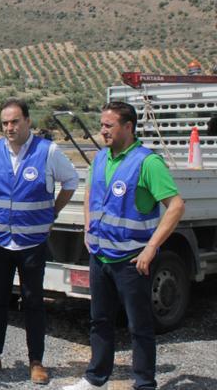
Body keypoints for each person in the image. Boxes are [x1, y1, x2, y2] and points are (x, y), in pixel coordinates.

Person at [63, 102, 185, 390]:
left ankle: (144, 384)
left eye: (108, 125)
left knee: (139, 327)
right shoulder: (101, 159)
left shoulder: (147, 162)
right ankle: (96, 379)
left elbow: (176, 206)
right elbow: (91, 192)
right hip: (100, 257)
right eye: (101, 124)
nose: (102, 130)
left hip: (131, 260)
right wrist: (87, 229)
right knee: (100, 321)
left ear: (128, 127)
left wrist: (151, 247)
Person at [0, 98, 78, 385]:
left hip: (32, 242)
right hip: (0, 242)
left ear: (27, 121)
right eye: (5, 122)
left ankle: (36, 362)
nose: (9, 127)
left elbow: (71, 181)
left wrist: (53, 211)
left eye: (15, 121)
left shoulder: (48, 151)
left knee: (33, 302)